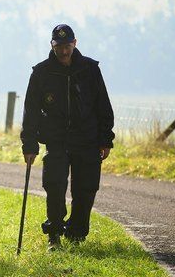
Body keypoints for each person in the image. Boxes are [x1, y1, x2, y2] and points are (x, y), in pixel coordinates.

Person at [21, 24, 115, 250]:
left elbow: (103, 104)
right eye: (59, 46)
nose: (64, 51)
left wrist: (105, 139)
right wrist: (29, 144)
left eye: (68, 46)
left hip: (88, 140)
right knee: (54, 187)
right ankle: (54, 234)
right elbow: (31, 111)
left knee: (86, 189)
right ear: (52, 45)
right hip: (57, 140)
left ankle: (76, 235)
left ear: (75, 43)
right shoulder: (41, 72)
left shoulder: (90, 69)